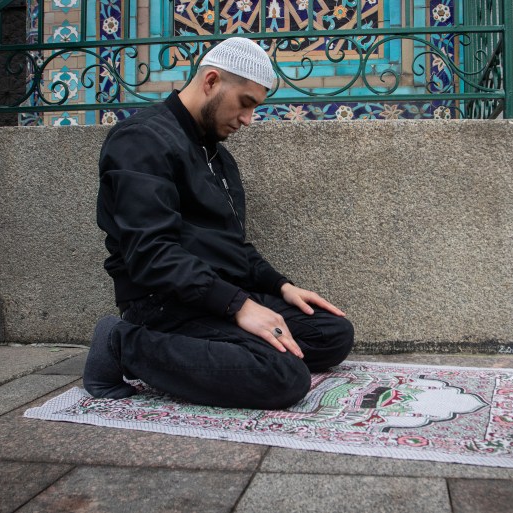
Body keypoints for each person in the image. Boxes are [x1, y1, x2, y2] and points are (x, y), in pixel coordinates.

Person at [83, 37, 354, 410]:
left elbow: (231, 246)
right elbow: (150, 254)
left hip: (215, 296)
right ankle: (121, 344)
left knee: (331, 332)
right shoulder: (141, 140)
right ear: (211, 81)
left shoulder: (217, 156)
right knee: (284, 376)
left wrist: (281, 285)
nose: (248, 120)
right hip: (162, 304)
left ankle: (227, 346)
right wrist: (240, 307)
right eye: (245, 104)